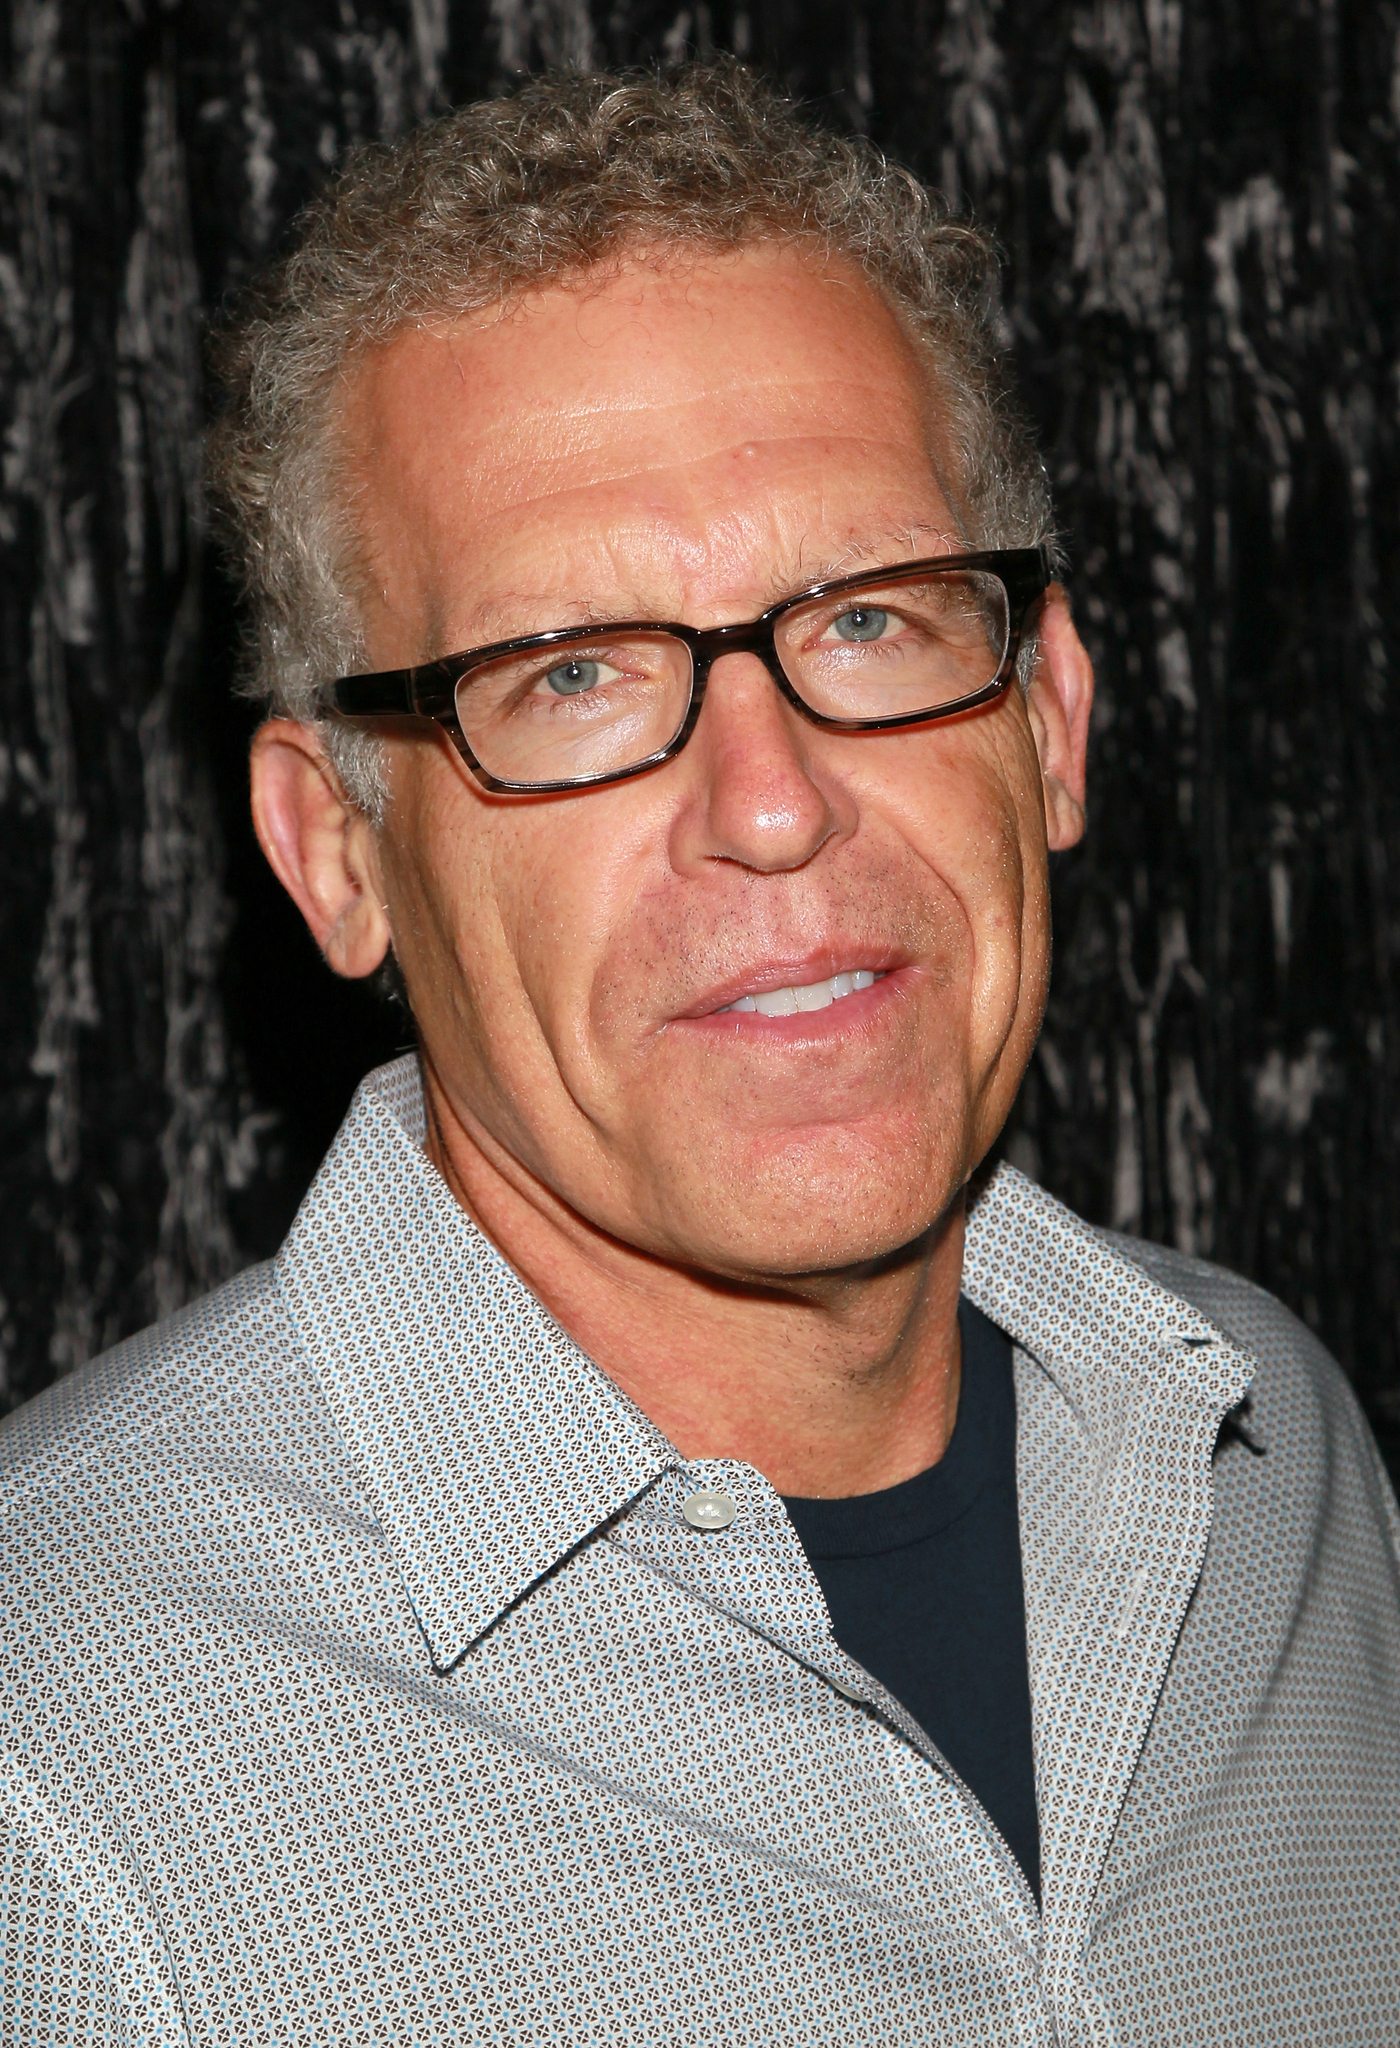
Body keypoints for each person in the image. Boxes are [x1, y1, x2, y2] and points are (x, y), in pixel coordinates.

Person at [2, 60, 1397, 2047]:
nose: (771, 802)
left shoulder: (1290, 1472)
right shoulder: (46, 1783)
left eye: (871, 623)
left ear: (1052, 717)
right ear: (337, 853)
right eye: (565, 675)